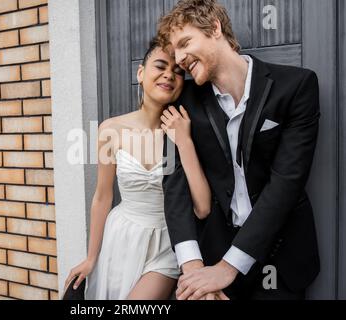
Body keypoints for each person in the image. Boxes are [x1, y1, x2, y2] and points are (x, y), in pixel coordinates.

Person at [158, 0, 320, 300]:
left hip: (280, 257)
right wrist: (194, 271)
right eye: (174, 52)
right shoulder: (182, 104)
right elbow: (175, 188)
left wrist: (229, 267)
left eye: (185, 43)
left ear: (215, 28)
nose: (179, 59)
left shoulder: (297, 86)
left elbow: (286, 183)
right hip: (212, 253)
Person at [63, 38, 212, 300]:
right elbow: (102, 197)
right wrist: (90, 257)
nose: (169, 74)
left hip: (167, 242)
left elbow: (203, 208)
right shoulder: (110, 129)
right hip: (121, 236)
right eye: (160, 66)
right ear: (141, 73)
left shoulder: (184, 130)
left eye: (178, 72)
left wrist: (185, 141)